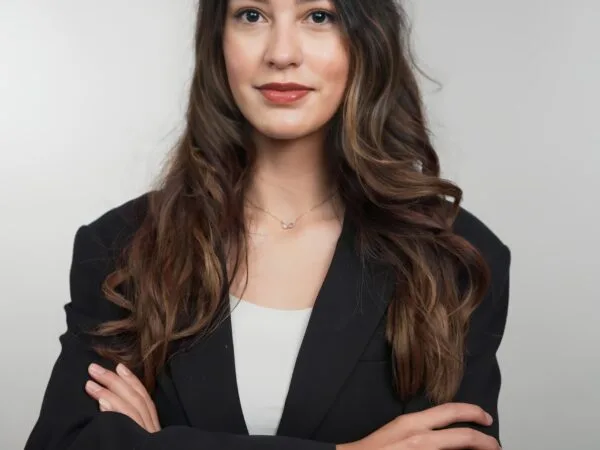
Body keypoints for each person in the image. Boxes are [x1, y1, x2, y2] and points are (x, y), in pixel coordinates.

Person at [25, 0, 511, 449]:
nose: (281, 54)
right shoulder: (122, 244)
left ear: (368, 37)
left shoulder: (455, 256)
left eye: (318, 16)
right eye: (252, 15)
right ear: (217, 39)